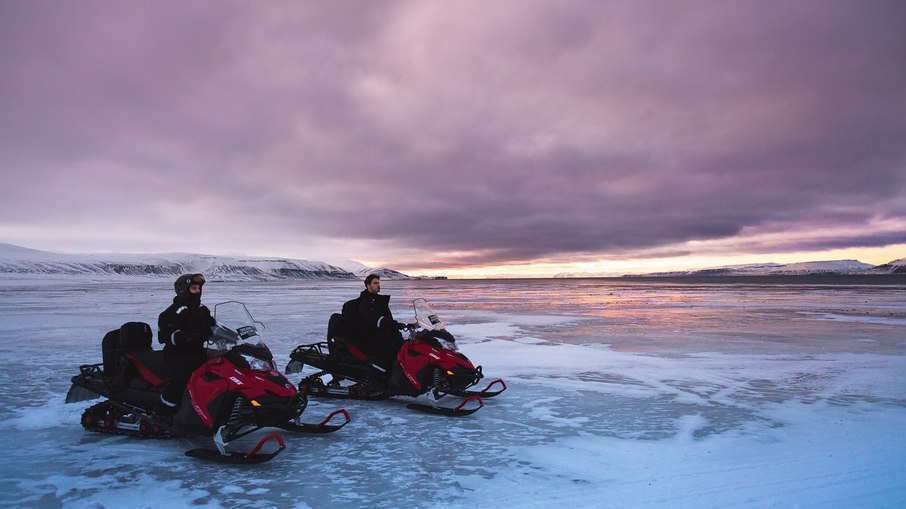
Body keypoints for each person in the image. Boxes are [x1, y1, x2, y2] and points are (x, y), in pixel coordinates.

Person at [155, 273, 215, 415]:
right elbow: (165, 335)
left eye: (199, 289)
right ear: (184, 290)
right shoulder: (173, 312)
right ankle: (164, 412)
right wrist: (186, 337)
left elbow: (212, 325)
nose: (198, 292)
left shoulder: (202, 310)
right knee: (185, 377)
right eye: (194, 288)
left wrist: (230, 334)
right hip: (178, 354)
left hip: (198, 352)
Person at [342, 274, 406, 379]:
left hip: (377, 332)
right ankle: (377, 377)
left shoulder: (376, 300)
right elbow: (374, 318)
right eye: (375, 283)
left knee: (401, 343)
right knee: (388, 348)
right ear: (368, 285)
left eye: (378, 283)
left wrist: (395, 325)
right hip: (367, 334)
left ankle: (398, 374)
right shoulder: (366, 302)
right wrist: (392, 323)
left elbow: (384, 317)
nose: (378, 285)